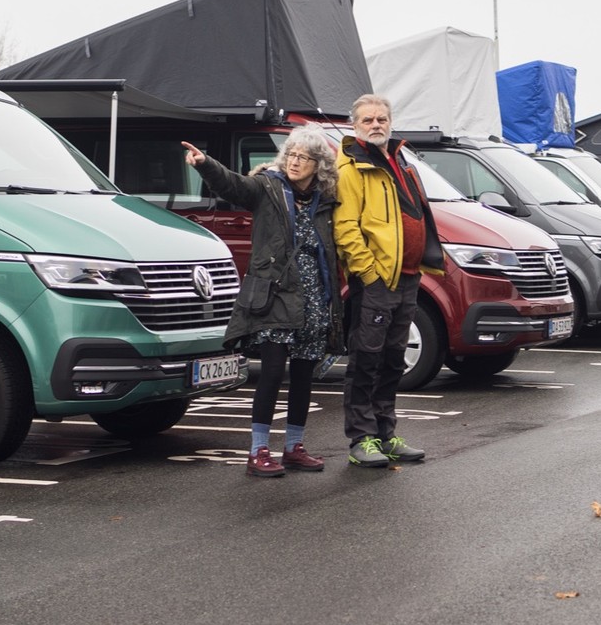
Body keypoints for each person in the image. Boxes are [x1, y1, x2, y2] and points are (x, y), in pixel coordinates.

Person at [182, 131, 342, 478]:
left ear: (319, 167)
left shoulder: (325, 200)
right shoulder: (268, 188)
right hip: (275, 295)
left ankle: (294, 448)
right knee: (270, 373)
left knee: (303, 377)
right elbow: (234, 186)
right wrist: (205, 164)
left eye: (304, 158)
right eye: (292, 155)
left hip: (314, 298)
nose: (295, 161)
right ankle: (257, 452)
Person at [335, 94, 445, 467]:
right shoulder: (352, 168)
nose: (376, 124)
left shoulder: (399, 160)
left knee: (394, 358)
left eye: (382, 118)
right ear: (355, 125)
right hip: (376, 280)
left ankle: (385, 432)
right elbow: (346, 228)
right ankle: (361, 439)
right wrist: (369, 273)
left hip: (409, 277)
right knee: (366, 358)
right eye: (368, 120)